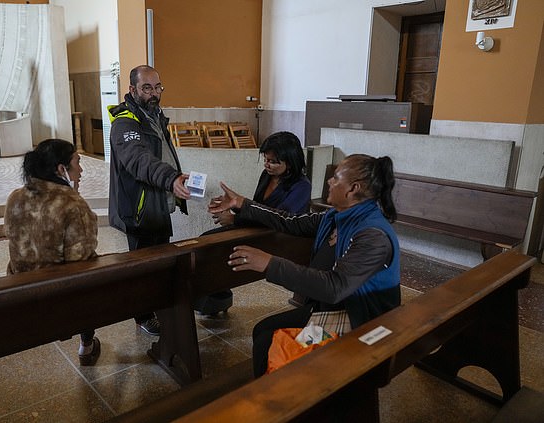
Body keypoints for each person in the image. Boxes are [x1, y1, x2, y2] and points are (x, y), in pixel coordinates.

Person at [208, 154, 400, 377]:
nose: (329, 181)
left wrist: (269, 263)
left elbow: (334, 287)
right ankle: (274, 393)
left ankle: (284, 401)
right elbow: (289, 221)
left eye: (336, 178)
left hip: (362, 324)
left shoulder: (372, 236)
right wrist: (242, 204)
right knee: (263, 331)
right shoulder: (336, 216)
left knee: (271, 342)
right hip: (334, 309)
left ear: (352, 189)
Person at [107, 65, 191, 336]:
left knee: (161, 264)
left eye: (157, 87)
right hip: (139, 208)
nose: (154, 93)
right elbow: (139, 160)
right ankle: (143, 316)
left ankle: (160, 307)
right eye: (147, 88)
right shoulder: (126, 122)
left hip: (157, 205)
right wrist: (170, 179)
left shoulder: (154, 115)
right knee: (142, 270)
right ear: (132, 90)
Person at [4, 139, 101, 366]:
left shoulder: (15, 197)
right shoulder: (72, 204)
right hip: (61, 297)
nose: (81, 169)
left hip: (21, 289)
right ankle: (86, 345)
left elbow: (13, 238)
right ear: (61, 169)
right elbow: (82, 259)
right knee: (95, 276)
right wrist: (73, 196)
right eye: (77, 162)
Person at [196, 131, 312, 315]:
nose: (267, 165)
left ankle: (216, 298)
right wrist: (232, 204)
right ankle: (216, 298)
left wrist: (234, 218)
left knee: (213, 248)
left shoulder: (302, 185)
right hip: (256, 229)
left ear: (290, 161)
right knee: (205, 242)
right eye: (266, 159)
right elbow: (260, 207)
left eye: (273, 161)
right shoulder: (266, 176)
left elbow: (277, 218)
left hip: (278, 238)